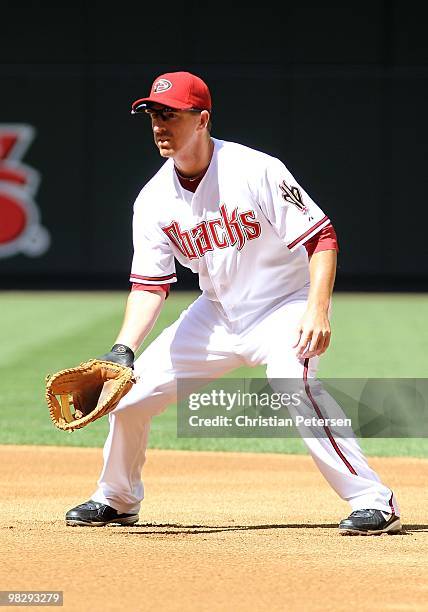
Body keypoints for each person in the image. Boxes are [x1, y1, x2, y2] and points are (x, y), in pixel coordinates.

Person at [66, 71, 401, 535]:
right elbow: (149, 284)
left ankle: (372, 499)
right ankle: (117, 498)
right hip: (218, 313)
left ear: (202, 119)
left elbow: (321, 236)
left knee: (292, 381)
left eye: (171, 114)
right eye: (152, 115)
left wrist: (317, 308)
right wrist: (122, 349)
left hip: (285, 305)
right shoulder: (153, 200)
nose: (159, 125)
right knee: (128, 396)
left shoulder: (255, 169)